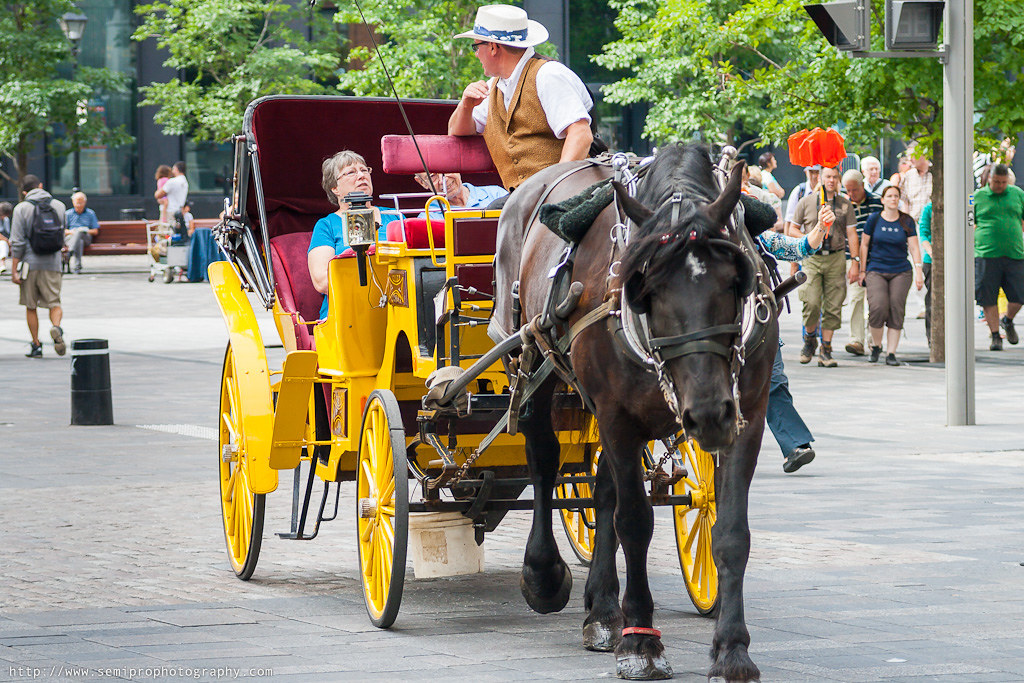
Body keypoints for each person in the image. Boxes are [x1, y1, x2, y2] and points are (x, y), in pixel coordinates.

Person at [448, 4, 593, 191]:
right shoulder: (493, 86)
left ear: (493, 47)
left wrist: (555, 192)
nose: (476, 54)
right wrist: (466, 105)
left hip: (568, 195)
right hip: (523, 200)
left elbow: (581, 135)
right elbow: (456, 130)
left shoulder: (548, 75)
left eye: (476, 46)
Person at [758, 204, 830, 472]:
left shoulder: (759, 239)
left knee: (774, 383)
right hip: (716, 328)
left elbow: (800, 247)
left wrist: (821, 227)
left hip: (760, 325)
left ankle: (795, 445)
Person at [308, 150, 401, 320]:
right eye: (351, 172)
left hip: (398, 306)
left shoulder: (395, 215)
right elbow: (322, 281)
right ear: (334, 188)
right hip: (348, 313)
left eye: (364, 170)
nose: (361, 176)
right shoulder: (326, 226)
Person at [789, 165, 858, 367]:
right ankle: (810, 339)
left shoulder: (845, 204)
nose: (831, 180)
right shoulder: (807, 201)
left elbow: (852, 234)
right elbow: (792, 229)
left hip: (836, 257)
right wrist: (809, 239)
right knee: (810, 302)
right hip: (812, 258)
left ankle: (826, 349)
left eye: (835, 177)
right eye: (828, 176)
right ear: (820, 177)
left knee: (834, 304)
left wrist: (855, 262)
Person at [858, 185, 924, 365]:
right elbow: (864, 245)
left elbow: (914, 247)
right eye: (889, 196)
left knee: (896, 308)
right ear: (883, 200)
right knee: (878, 307)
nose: (893, 199)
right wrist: (862, 270)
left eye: (896, 196)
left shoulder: (906, 221)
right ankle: (877, 346)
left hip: (901, 270)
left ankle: (891, 353)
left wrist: (919, 270)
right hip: (876, 269)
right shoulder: (874, 219)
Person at [9, 175, 67, 358]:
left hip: (29, 264)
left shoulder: (21, 208)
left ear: (24, 191)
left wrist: (13, 270)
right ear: (41, 186)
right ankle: (56, 328)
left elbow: (17, 242)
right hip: (53, 262)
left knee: (31, 305)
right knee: (54, 303)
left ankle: (36, 345)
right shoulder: (59, 205)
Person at [972, 164, 1024, 351]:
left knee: (1019, 296)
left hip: (1015, 254)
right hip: (986, 254)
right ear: (989, 180)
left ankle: (1007, 320)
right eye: (996, 182)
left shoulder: (1017, 194)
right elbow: (970, 222)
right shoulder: (975, 197)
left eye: (1003, 182)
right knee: (988, 298)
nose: (1000, 185)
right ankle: (995, 336)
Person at [841, 170, 882, 356]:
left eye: (854, 190)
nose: (851, 194)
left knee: (875, 300)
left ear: (862, 186)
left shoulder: (876, 202)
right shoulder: (843, 204)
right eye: (847, 190)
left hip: (875, 258)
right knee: (856, 298)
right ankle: (856, 339)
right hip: (852, 258)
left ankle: (874, 339)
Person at [412, 172, 507, 217]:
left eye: (446, 170)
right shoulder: (428, 218)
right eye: (433, 176)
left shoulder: (496, 193)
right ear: (422, 182)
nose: (443, 180)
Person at [64, 191, 100, 274]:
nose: (79, 205)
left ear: (85, 202)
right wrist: (72, 232)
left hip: (86, 236)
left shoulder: (90, 213)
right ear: (73, 202)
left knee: (80, 233)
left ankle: (70, 252)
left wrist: (85, 230)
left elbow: (95, 231)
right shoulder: (68, 214)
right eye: (77, 202)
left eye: (81, 202)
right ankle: (77, 267)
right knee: (79, 240)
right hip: (71, 238)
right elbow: (63, 230)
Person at [917, 201, 934, 343]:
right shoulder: (928, 209)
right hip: (932, 261)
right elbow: (924, 234)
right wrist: (932, 253)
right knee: (932, 299)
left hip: (956, 259)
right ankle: (932, 337)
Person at [900, 153, 932, 221]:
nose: (910, 159)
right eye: (908, 156)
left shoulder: (938, 172)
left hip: (934, 223)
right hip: (914, 223)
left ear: (924, 154)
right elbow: (904, 201)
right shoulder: (908, 175)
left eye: (912, 155)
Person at [0, 201, 12, 274]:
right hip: (3, 241)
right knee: (3, 244)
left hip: (4, 239)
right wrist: (6, 241)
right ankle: (2, 263)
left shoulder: (6, 220)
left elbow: (7, 233)